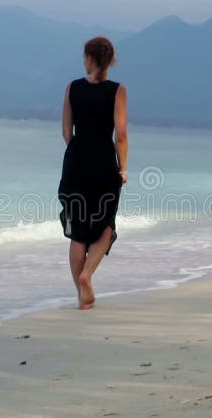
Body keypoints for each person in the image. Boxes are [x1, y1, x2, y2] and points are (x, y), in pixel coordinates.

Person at [58, 36, 128, 310]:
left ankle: (81, 295)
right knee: (105, 227)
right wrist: (122, 167)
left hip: (76, 165)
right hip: (104, 166)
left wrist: (78, 154)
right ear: (110, 60)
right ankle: (87, 275)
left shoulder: (72, 88)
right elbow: (120, 134)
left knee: (78, 233)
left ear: (88, 58)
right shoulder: (117, 91)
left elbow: (66, 131)